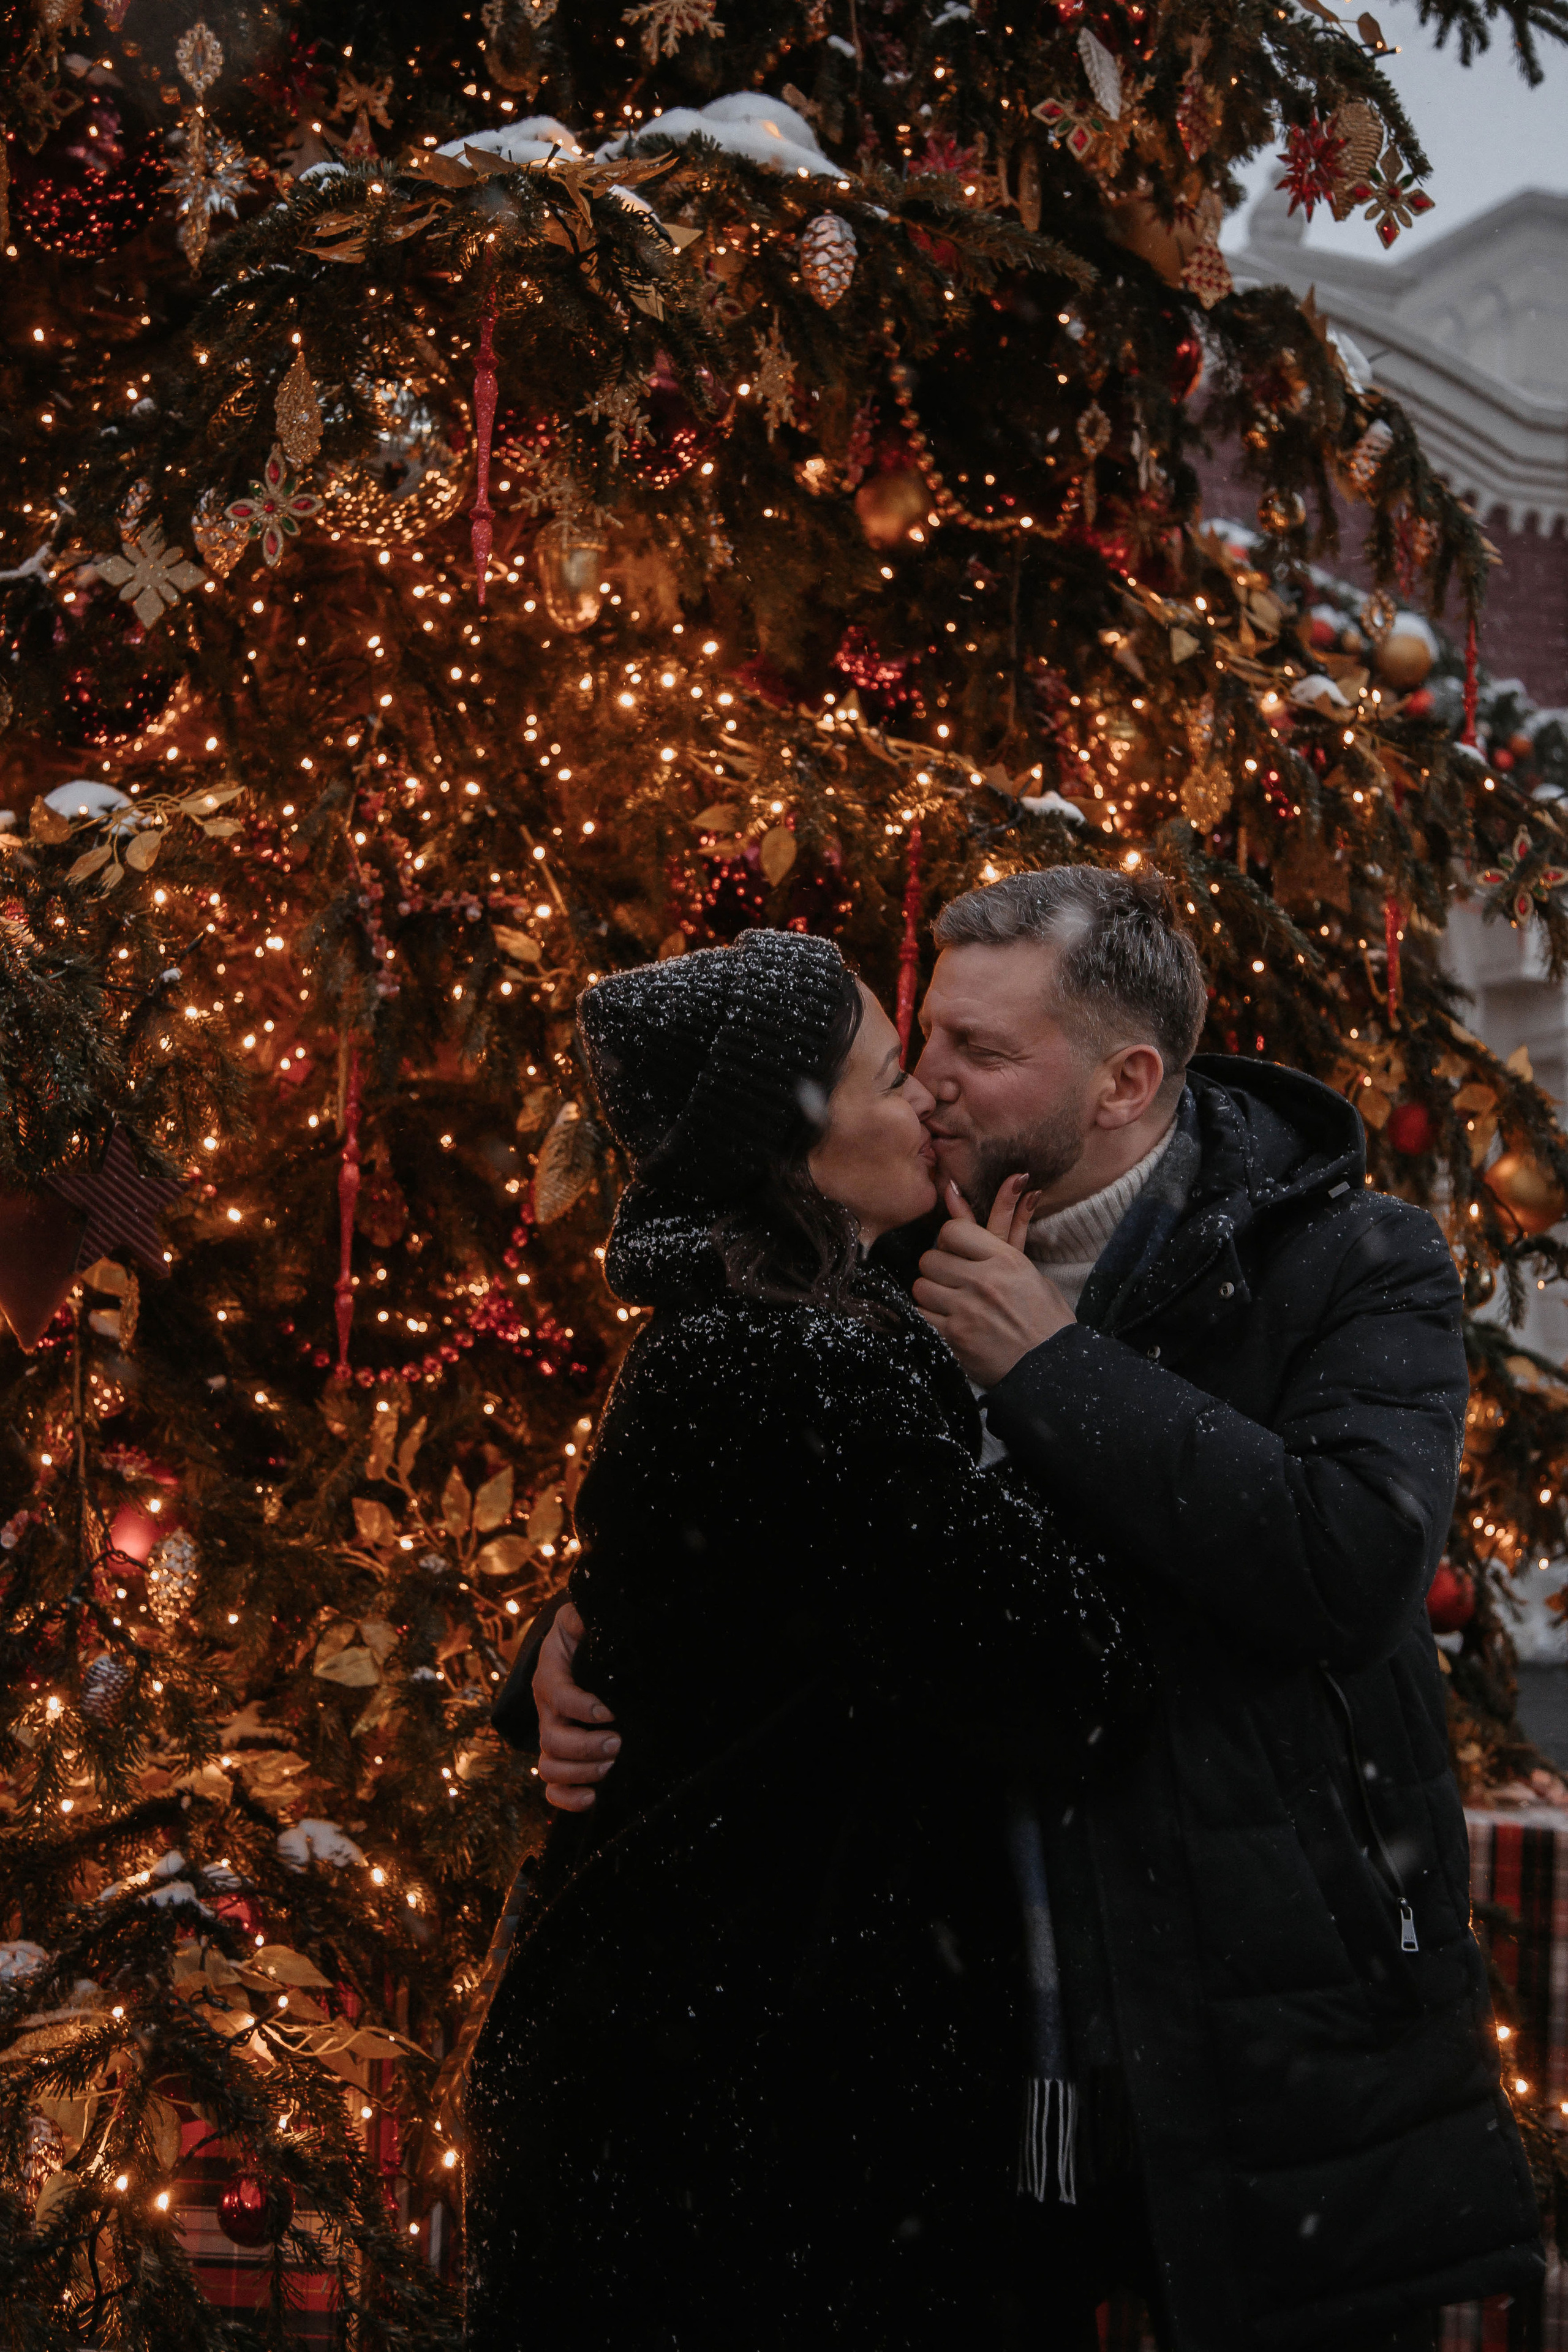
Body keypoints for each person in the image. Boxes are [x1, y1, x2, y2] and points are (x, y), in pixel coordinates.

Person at [532, 869, 1544, 2352]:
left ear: (1127, 1079)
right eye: (926, 1035)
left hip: (1246, 2041)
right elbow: (749, 1539)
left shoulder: (1342, 1262)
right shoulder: (865, 1249)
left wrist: (1050, 1362)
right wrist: (564, 1647)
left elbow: (1351, 1563)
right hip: (951, 2074)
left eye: (982, 1056)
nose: (927, 1084)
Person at [464, 925, 1148, 2352]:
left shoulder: (755, 1330)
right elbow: (1071, 1675)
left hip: (689, 2090)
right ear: (787, 1140)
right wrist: (1023, 1381)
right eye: (892, 1074)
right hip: (737, 2124)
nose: (929, 1105)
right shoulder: (800, 1369)